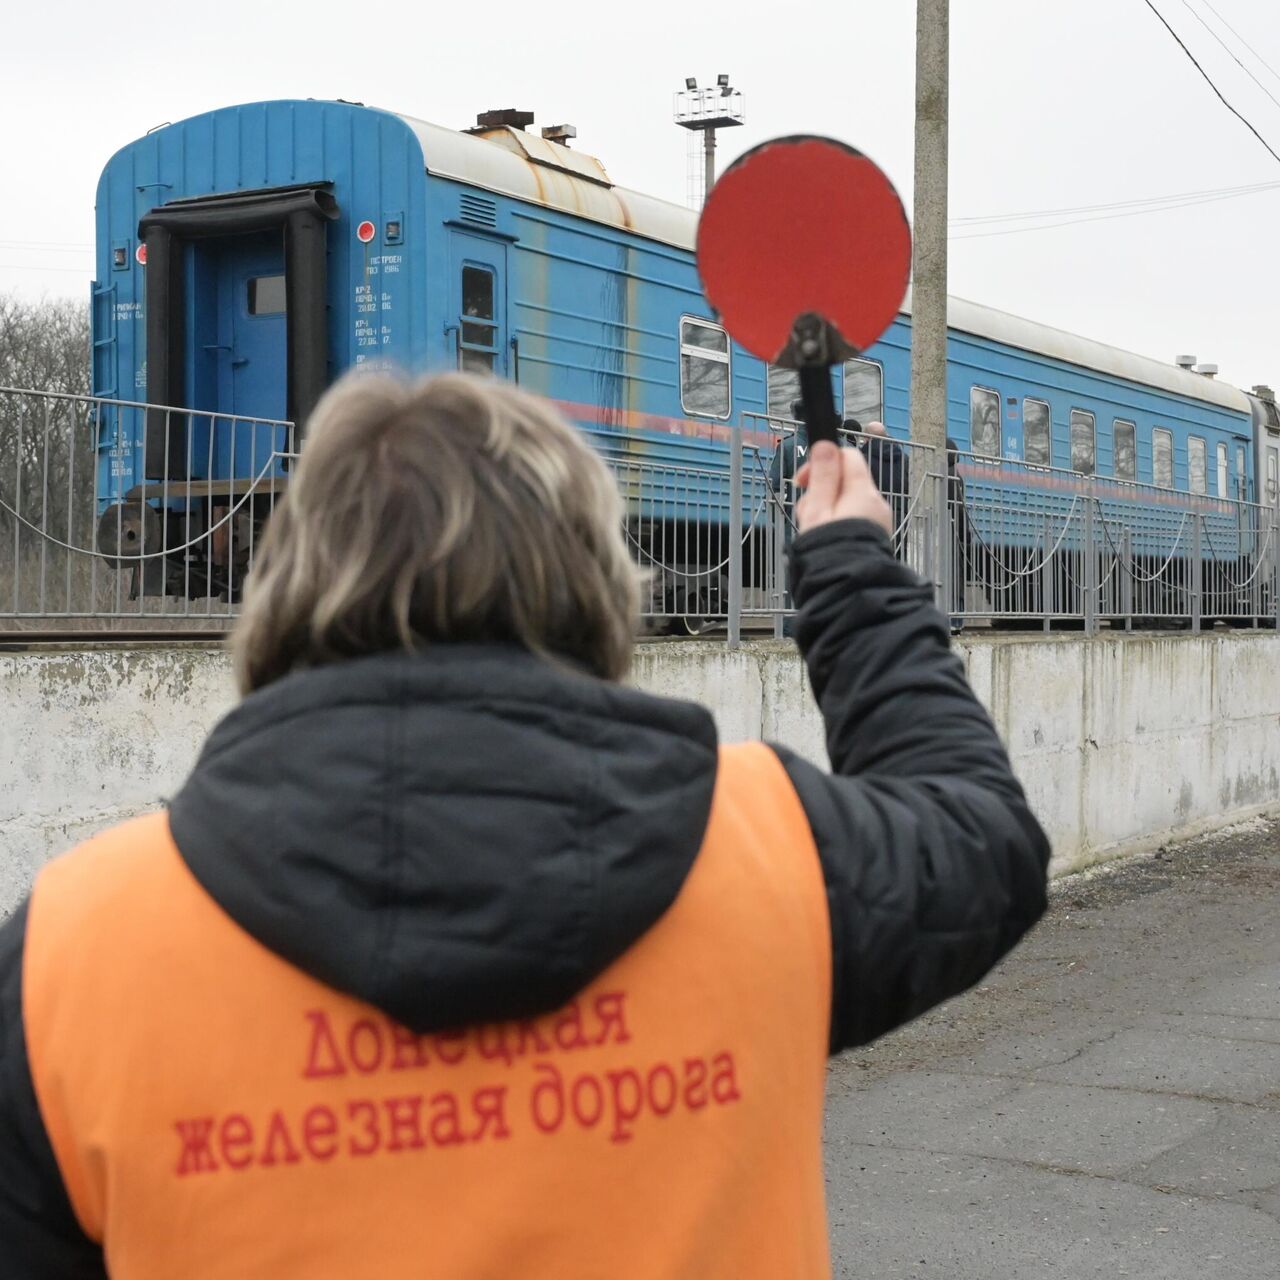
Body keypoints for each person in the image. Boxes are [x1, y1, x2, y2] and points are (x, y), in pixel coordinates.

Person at [0, 373, 1049, 1277]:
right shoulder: (772, 854)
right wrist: (850, 575)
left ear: (280, 586)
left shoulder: (72, 954)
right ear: (597, 583)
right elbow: (981, 835)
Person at [858, 420, 910, 551]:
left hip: (872, 514)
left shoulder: (861, 458)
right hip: (899, 514)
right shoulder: (903, 458)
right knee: (896, 557)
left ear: (866, 438)